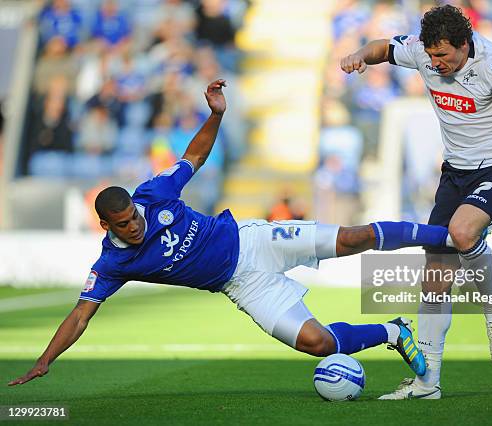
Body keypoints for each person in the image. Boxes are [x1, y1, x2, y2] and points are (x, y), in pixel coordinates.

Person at [9, 79, 459, 387]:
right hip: (240, 283)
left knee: (353, 237)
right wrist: (45, 360)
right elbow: (80, 315)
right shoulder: (112, 264)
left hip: (253, 239)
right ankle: (393, 331)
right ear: (106, 227)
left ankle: (445, 236)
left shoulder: (153, 194)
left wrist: (216, 115)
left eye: (134, 214)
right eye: (125, 223)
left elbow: (194, 157)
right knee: (316, 343)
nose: (136, 223)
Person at [341, 5, 492, 399]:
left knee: (462, 230)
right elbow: (381, 48)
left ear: (465, 44)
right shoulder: (422, 51)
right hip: (456, 172)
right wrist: (358, 56)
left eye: (444, 56)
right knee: (435, 275)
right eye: (431, 56)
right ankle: (427, 382)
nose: (436, 64)